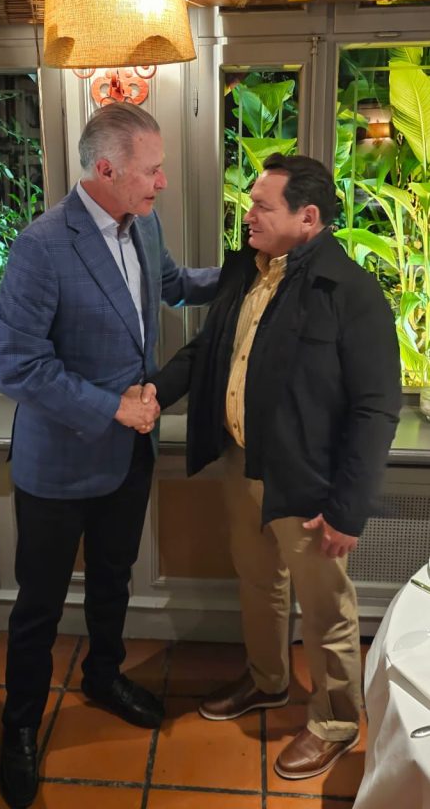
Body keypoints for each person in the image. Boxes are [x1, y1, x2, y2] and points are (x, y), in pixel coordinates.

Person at [0, 102, 219, 809]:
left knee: (113, 579)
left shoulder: (142, 222)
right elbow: (18, 368)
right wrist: (112, 407)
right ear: (106, 169)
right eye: (152, 171)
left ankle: (102, 675)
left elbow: (173, 285)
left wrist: (252, 269)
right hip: (58, 465)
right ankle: (20, 725)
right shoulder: (41, 246)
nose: (162, 184)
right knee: (38, 605)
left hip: (128, 457)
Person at [148, 153, 401, 782]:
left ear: (307, 217)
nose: (249, 216)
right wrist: (152, 394)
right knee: (258, 582)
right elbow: (207, 349)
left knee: (325, 607)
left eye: (262, 206)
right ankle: (267, 681)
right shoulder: (245, 270)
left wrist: (347, 509)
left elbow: (376, 408)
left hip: (309, 481)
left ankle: (336, 722)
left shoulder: (350, 292)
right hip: (243, 463)